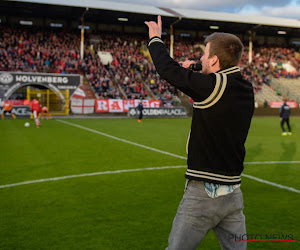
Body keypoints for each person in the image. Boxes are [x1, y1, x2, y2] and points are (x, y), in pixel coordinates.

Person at [145, 16, 254, 250]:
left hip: (204, 193)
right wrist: (195, 72)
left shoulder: (212, 86)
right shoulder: (245, 88)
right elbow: (215, 96)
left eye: (204, 55)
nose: (200, 58)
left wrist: (155, 39)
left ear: (214, 60)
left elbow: (167, 69)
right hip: (233, 193)